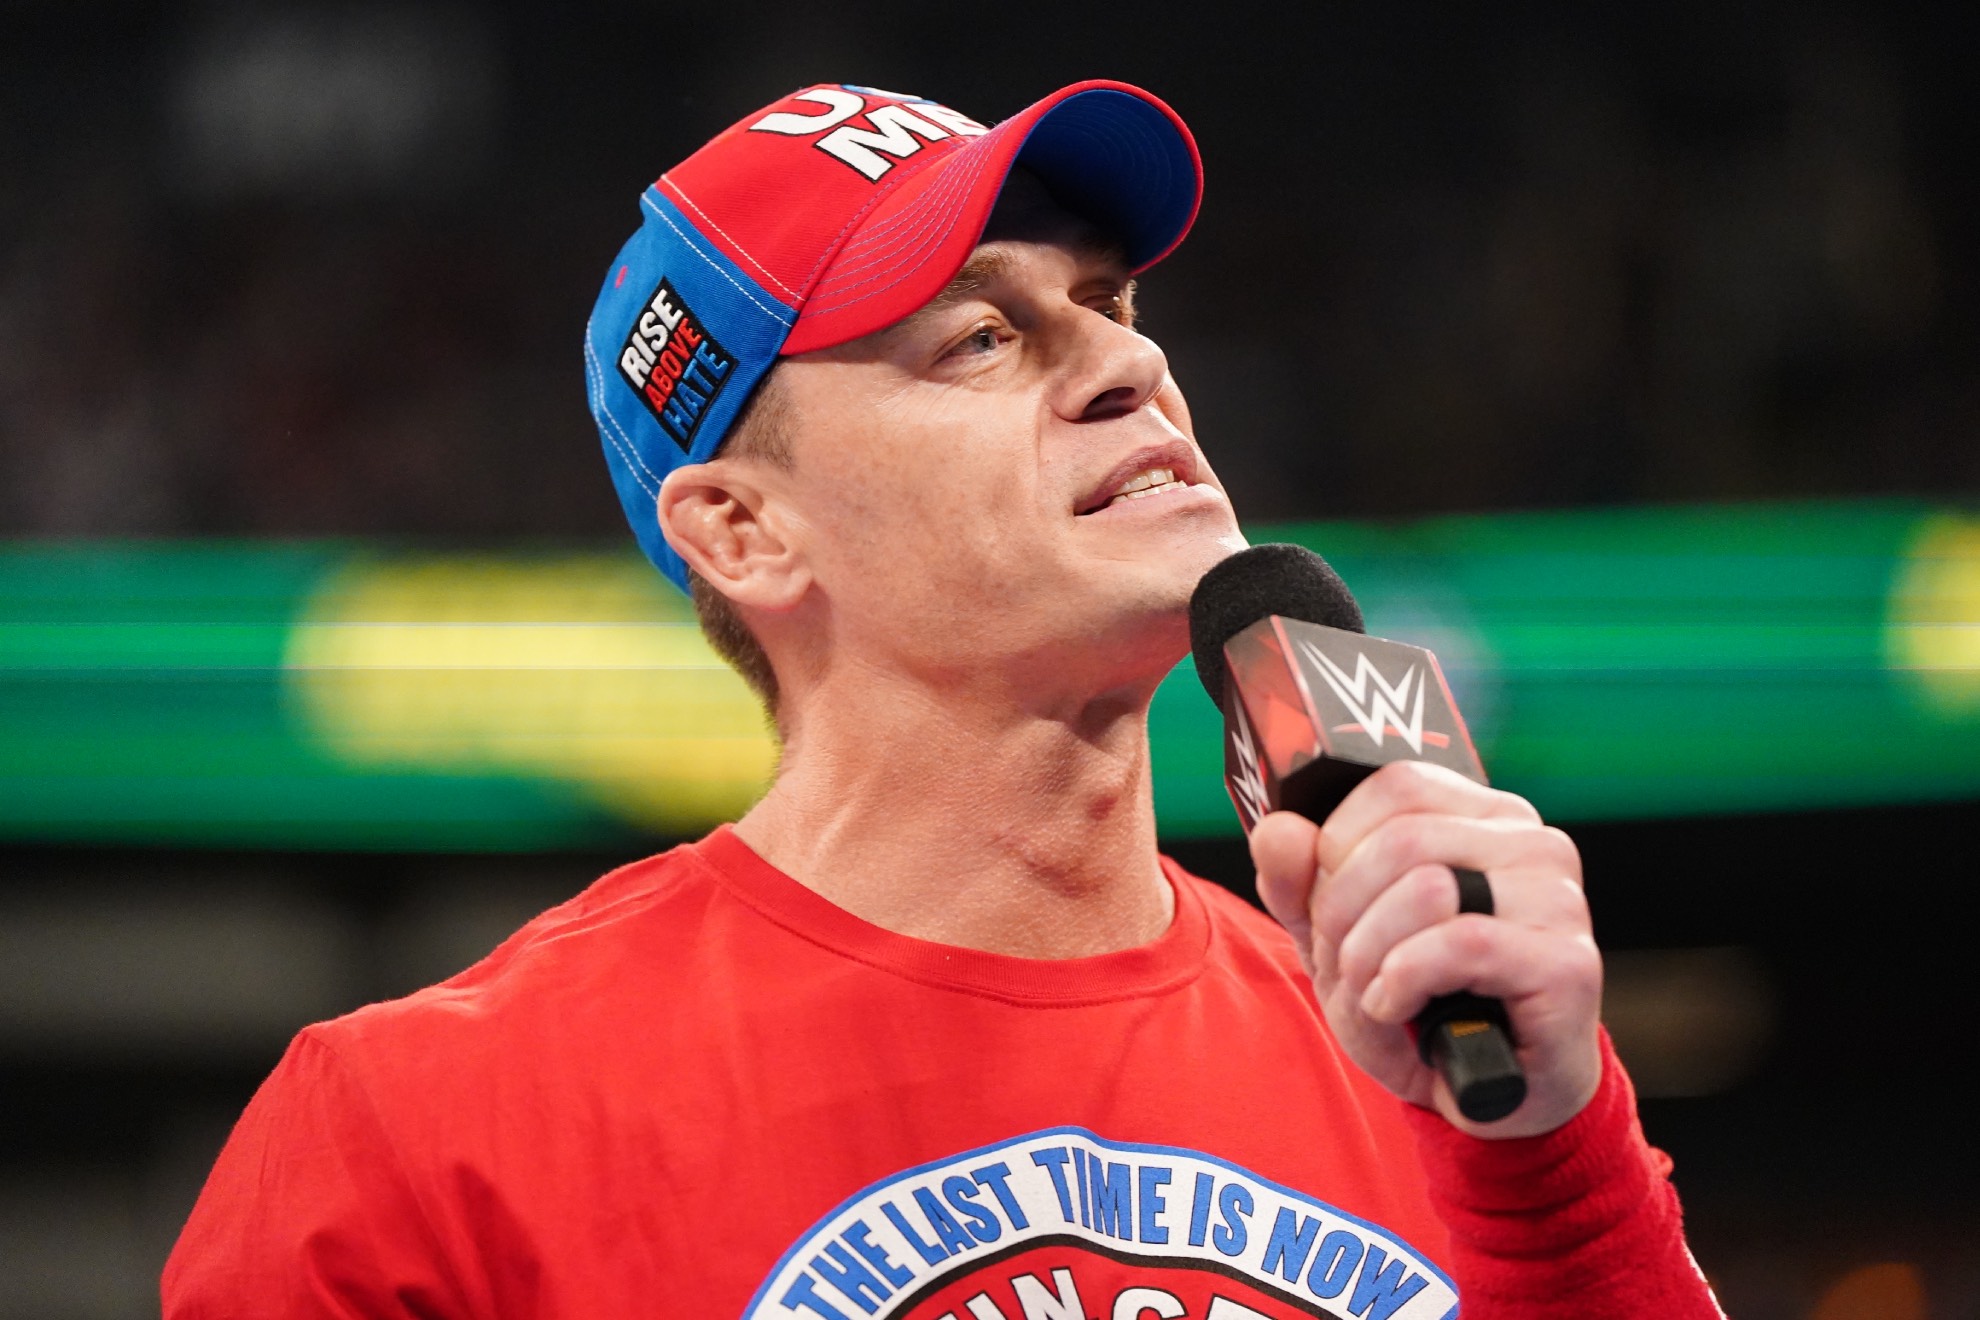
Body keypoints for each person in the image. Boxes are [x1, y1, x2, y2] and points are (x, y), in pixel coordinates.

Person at [164, 81, 1723, 1319]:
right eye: (981, 337)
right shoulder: (416, 1139)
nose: (1128, 368)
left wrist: (1554, 1168)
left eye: (1112, 303)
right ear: (746, 532)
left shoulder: (1442, 1057)